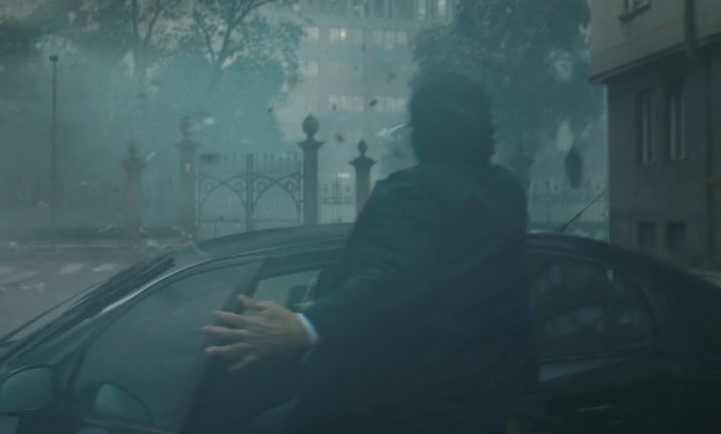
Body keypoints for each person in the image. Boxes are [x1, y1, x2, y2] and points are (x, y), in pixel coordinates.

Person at [203, 70, 537, 434]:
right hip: (483, 409)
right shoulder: (506, 193)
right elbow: (517, 312)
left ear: (420, 130)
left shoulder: (413, 193)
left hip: (403, 408)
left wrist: (305, 325)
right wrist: (518, 409)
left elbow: (397, 277)